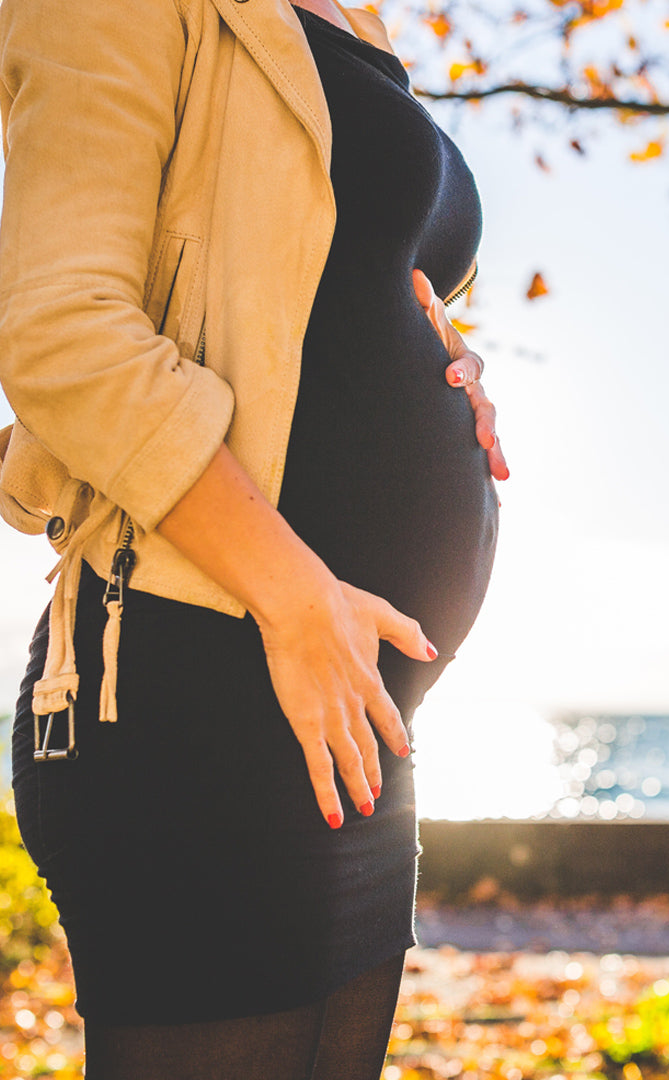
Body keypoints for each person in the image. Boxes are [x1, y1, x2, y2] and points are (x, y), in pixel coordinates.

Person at [0, 0, 508, 1075]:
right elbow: (61, 327)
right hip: (201, 681)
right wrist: (294, 593)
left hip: (350, 709)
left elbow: (311, 288)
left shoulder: (352, 22)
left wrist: (447, 361)